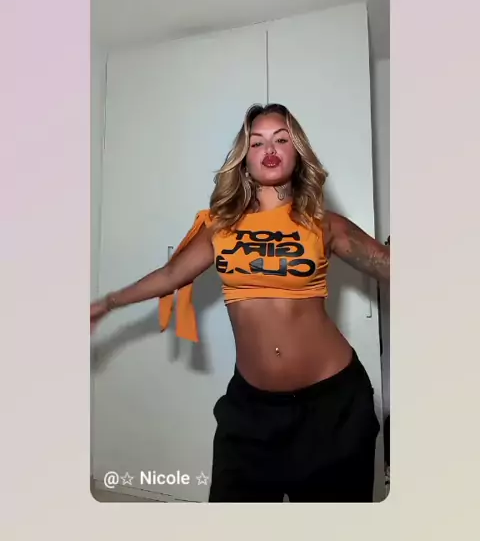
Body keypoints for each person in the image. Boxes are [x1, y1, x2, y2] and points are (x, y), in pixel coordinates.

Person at [90, 103, 390, 502]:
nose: (270, 149)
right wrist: (108, 303)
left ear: (298, 152)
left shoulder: (324, 224)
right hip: (251, 413)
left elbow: (389, 266)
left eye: (281, 139)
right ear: (244, 159)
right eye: (257, 142)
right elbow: (170, 275)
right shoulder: (220, 227)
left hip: (333, 409)